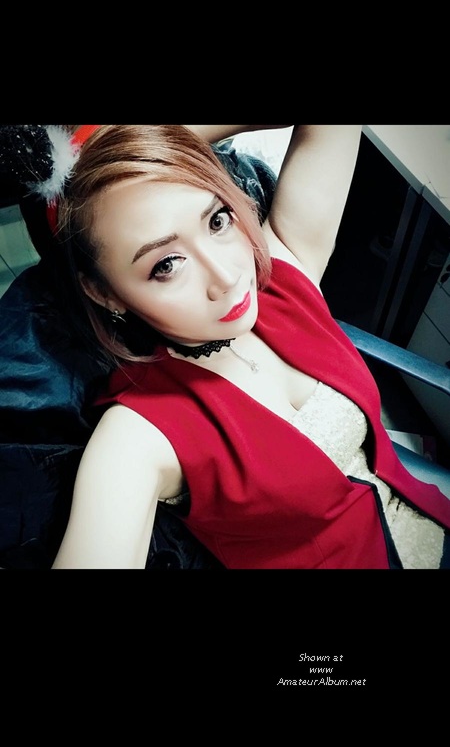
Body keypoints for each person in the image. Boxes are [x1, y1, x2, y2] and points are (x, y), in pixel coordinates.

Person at [3, 124, 450, 569]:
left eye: (217, 220)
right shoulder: (138, 437)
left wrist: (149, 143)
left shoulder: (284, 279)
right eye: (166, 265)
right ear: (105, 294)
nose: (227, 276)